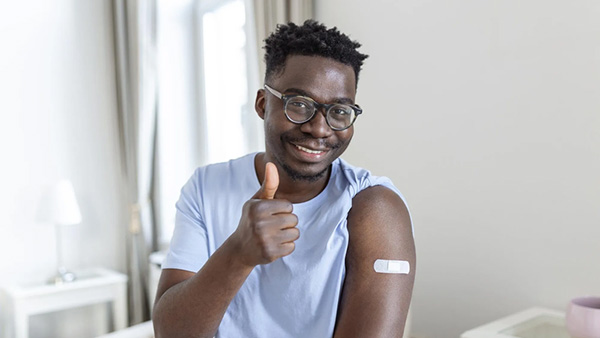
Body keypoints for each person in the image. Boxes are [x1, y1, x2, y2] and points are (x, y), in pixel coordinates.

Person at [152, 20, 415, 338]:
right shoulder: (206, 186)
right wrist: (237, 253)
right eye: (300, 105)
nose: (319, 129)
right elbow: (171, 332)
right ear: (263, 104)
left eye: (340, 111)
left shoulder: (375, 208)